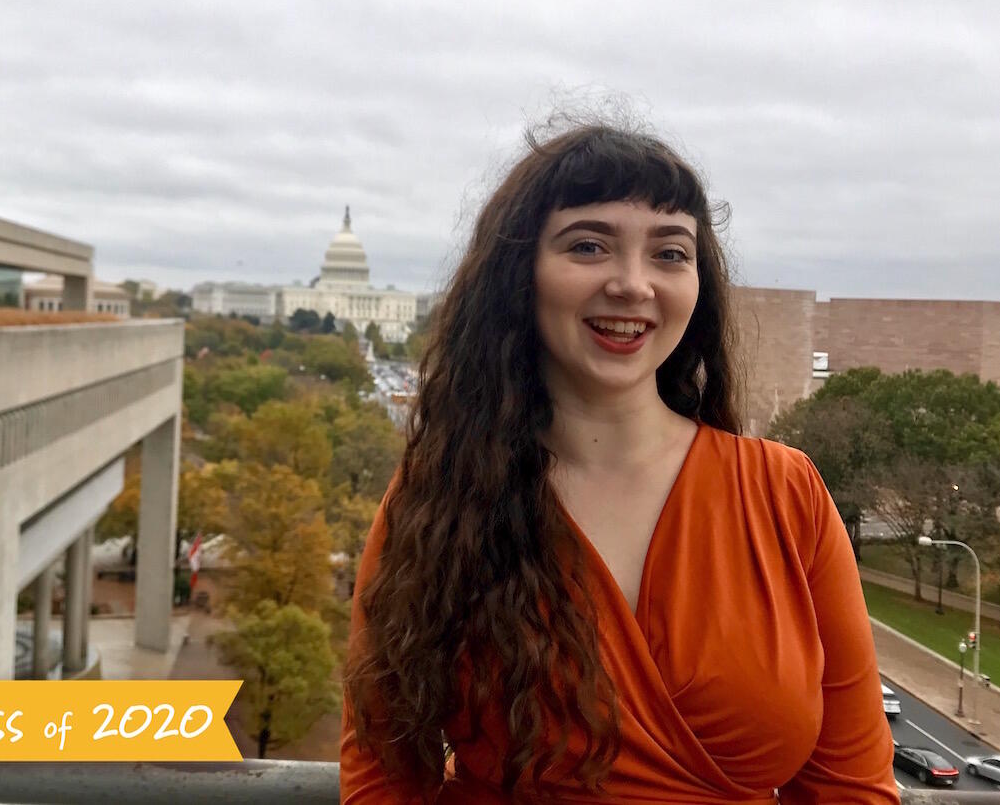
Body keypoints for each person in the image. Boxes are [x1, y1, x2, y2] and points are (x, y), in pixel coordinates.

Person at [339, 122, 898, 804]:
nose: (632, 284)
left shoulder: (785, 495)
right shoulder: (439, 495)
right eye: (588, 244)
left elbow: (850, 784)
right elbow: (384, 772)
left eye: (668, 252)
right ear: (519, 273)